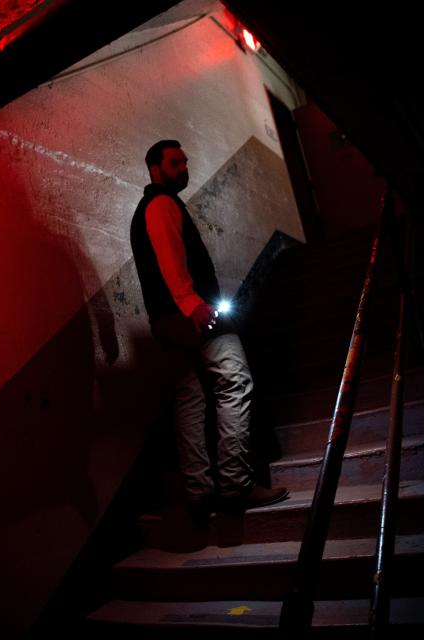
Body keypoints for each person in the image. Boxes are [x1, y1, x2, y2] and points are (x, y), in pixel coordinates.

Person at [130, 139, 288, 518]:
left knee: (190, 401)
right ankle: (236, 486)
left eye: (185, 161)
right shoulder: (161, 203)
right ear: (155, 167)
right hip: (190, 315)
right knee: (235, 382)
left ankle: (199, 493)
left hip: (167, 321)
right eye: (175, 162)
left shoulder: (150, 207)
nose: (184, 168)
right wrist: (192, 304)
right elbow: (170, 256)